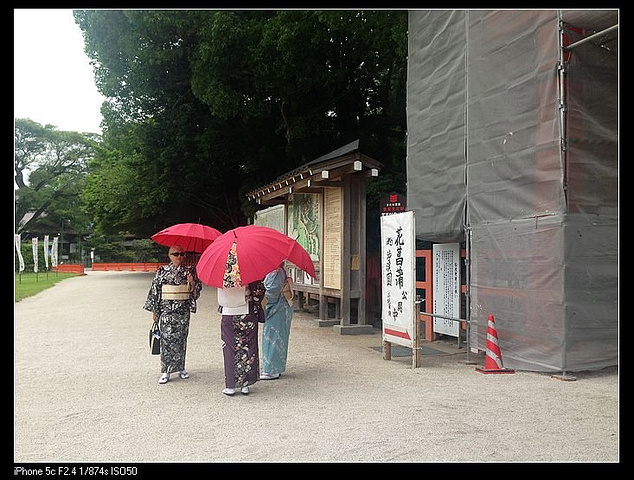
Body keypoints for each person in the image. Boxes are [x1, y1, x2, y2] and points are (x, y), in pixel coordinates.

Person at [143, 245, 202, 384]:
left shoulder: (189, 271)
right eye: (176, 254)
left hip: (182, 311)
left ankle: (181, 367)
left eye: (182, 254)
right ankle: (165, 370)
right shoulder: (162, 271)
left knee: (181, 339)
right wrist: (155, 310)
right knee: (166, 340)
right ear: (169, 255)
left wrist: (192, 283)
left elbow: (196, 291)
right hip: (166, 310)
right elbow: (155, 290)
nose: (179, 257)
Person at [260, 264, 294, 380]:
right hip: (282, 308)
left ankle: (271, 370)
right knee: (279, 338)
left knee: (272, 337)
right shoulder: (279, 271)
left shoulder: (275, 272)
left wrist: (260, 298)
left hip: (276, 308)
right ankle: (276, 368)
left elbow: (271, 292)